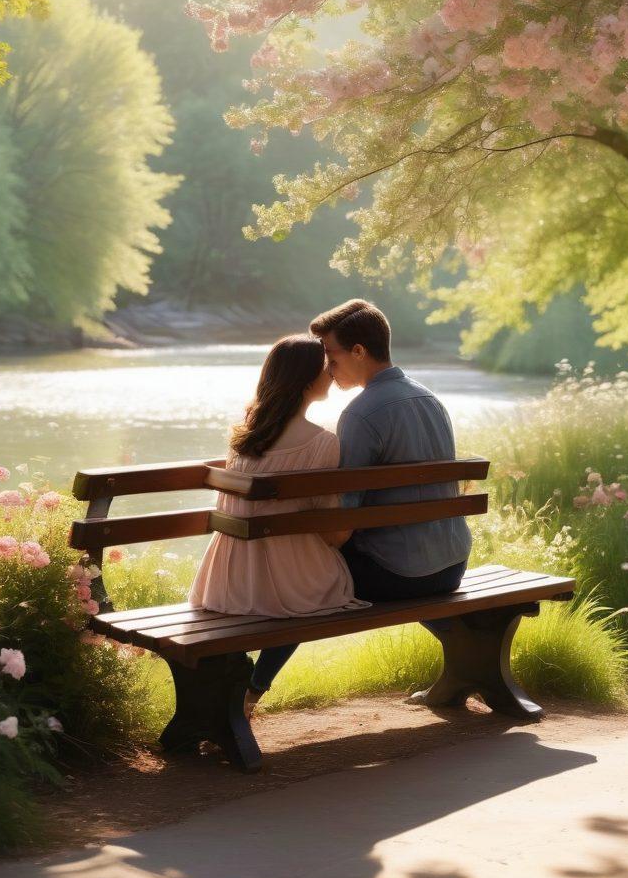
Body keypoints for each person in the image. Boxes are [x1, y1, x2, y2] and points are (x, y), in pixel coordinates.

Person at [189, 334, 365, 718]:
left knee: (298, 593)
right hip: (290, 584)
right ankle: (252, 690)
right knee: (319, 590)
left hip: (226, 580)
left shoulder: (242, 438)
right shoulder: (323, 443)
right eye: (325, 368)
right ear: (306, 382)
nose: (332, 375)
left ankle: (231, 695)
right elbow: (332, 532)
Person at [309, 299, 471, 602]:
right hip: (452, 567)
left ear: (359, 351)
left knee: (297, 572)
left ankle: (256, 651)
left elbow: (345, 518)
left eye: (331, 358)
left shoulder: (359, 415)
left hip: (395, 573)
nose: (329, 370)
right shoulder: (430, 399)